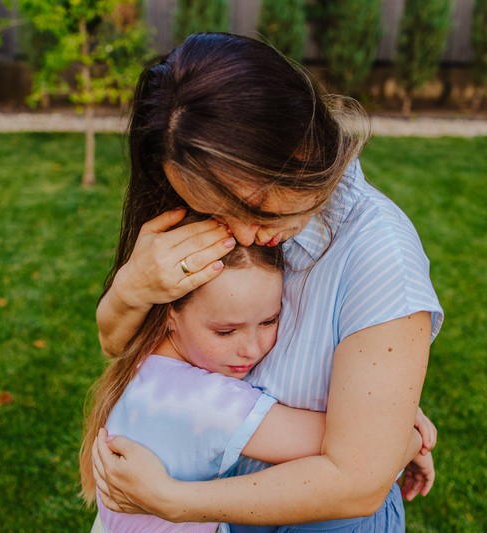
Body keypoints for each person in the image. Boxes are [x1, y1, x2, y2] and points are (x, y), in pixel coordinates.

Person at [92, 32, 444, 532]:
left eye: (254, 208)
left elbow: (358, 482)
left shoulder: (378, 254)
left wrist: (175, 502)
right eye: (217, 211)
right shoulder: (218, 197)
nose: (237, 233)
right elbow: (117, 343)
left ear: (303, 142)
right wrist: (133, 288)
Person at [81, 220, 436, 533]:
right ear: (170, 312)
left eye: (268, 321)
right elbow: (366, 450)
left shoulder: (147, 355)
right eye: (225, 331)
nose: (251, 348)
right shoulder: (205, 403)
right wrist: (407, 431)